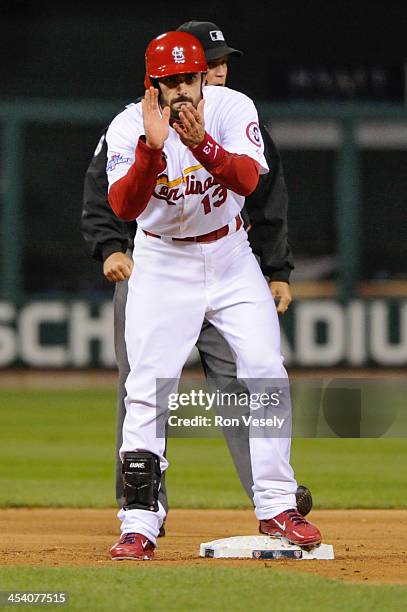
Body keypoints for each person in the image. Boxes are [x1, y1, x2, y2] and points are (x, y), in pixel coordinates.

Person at [81, 20, 313, 542]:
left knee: (265, 370)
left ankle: (277, 504)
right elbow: (122, 205)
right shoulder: (126, 127)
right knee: (146, 386)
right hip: (163, 263)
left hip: (230, 255)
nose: (184, 87)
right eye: (173, 80)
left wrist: (203, 143)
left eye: (191, 77)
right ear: (153, 86)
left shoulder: (233, 108)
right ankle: (139, 521)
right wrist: (151, 151)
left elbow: (253, 181)